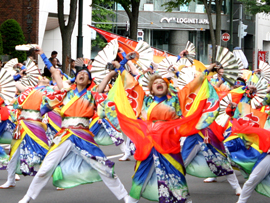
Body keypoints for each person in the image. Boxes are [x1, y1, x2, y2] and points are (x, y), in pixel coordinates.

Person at [18, 47, 129, 203]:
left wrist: (122, 62)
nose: (82, 75)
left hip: (83, 135)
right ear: (75, 79)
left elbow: (108, 80)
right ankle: (28, 197)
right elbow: (54, 72)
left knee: (103, 167)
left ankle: (125, 197)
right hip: (64, 135)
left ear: (90, 81)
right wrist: (42, 53)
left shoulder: (92, 95)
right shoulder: (65, 92)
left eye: (85, 74)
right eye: (79, 74)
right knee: (45, 169)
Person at [108, 50, 219, 202]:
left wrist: (206, 71)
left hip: (169, 141)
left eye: (162, 82)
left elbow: (191, 87)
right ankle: (132, 198)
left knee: (175, 172)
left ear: (167, 87)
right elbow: (131, 85)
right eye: (155, 83)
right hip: (148, 141)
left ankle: (185, 200)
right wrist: (121, 65)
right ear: (151, 89)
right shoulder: (146, 101)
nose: (159, 83)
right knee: (141, 171)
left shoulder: (175, 101)